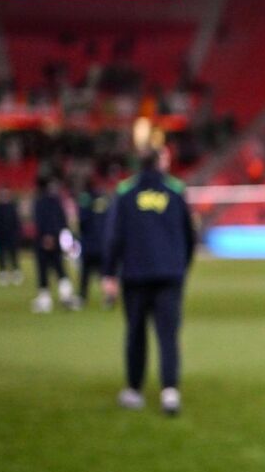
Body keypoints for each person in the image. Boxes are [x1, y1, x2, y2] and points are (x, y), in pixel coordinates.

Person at [102, 148, 196, 416]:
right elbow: (190, 235)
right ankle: (170, 392)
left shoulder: (125, 191)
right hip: (169, 275)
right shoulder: (175, 190)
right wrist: (181, 266)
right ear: (159, 163)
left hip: (135, 275)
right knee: (168, 335)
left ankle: (134, 390)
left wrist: (109, 273)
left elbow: (114, 236)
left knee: (136, 333)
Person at [31, 177, 77, 313]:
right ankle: (66, 295)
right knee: (59, 269)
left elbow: (40, 221)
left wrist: (47, 236)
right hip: (57, 240)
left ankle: (45, 300)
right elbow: (63, 222)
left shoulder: (40, 202)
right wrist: (57, 236)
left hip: (43, 241)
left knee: (43, 270)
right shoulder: (57, 202)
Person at [77, 179, 111, 307]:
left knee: (85, 272)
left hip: (89, 243)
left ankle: (82, 297)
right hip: (102, 243)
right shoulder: (105, 200)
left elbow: (82, 221)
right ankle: (108, 297)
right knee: (104, 272)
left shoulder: (85, 200)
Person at [0, 187, 23, 286]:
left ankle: (16, 272)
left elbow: (17, 222)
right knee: (1, 255)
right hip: (0, 236)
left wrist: (17, 233)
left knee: (13, 254)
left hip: (12, 235)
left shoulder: (12, 207)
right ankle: (2, 273)